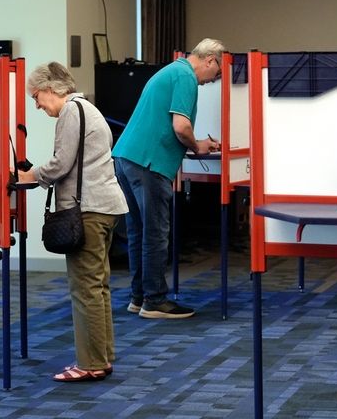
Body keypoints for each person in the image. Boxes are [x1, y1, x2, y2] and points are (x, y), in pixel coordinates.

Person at [19, 62, 128, 382]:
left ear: (51, 89)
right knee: (98, 287)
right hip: (105, 207)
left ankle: (91, 363)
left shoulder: (70, 112)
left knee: (85, 289)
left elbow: (61, 163)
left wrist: (31, 175)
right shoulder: (89, 109)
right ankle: (101, 357)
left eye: (36, 96)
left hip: (88, 210)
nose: (37, 105)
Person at [112, 38, 226, 319]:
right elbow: (181, 125)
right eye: (219, 73)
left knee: (138, 231)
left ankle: (138, 297)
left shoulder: (171, 70)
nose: (215, 80)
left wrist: (195, 141)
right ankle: (155, 300)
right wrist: (197, 145)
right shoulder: (186, 77)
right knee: (155, 232)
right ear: (211, 60)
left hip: (126, 157)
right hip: (149, 163)